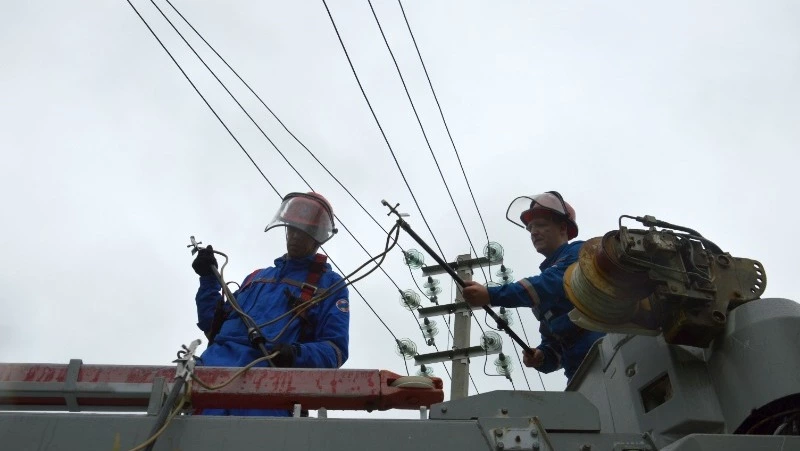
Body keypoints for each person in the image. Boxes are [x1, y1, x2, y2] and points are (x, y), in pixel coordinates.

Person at [191, 192, 350, 415]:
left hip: (266, 400)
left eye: (302, 232)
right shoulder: (257, 278)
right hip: (207, 386)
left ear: (317, 237)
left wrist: (296, 354)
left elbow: (335, 350)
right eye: (291, 228)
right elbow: (212, 325)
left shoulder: (329, 285)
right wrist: (208, 279)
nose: (294, 237)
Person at [462, 191, 604, 382]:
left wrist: (491, 295)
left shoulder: (579, 253)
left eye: (541, 225)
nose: (533, 232)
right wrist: (542, 356)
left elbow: (549, 285)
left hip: (607, 355)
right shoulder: (549, 277)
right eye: (530, 228)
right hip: (580, 375)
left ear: (562, 228)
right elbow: (556, 346)